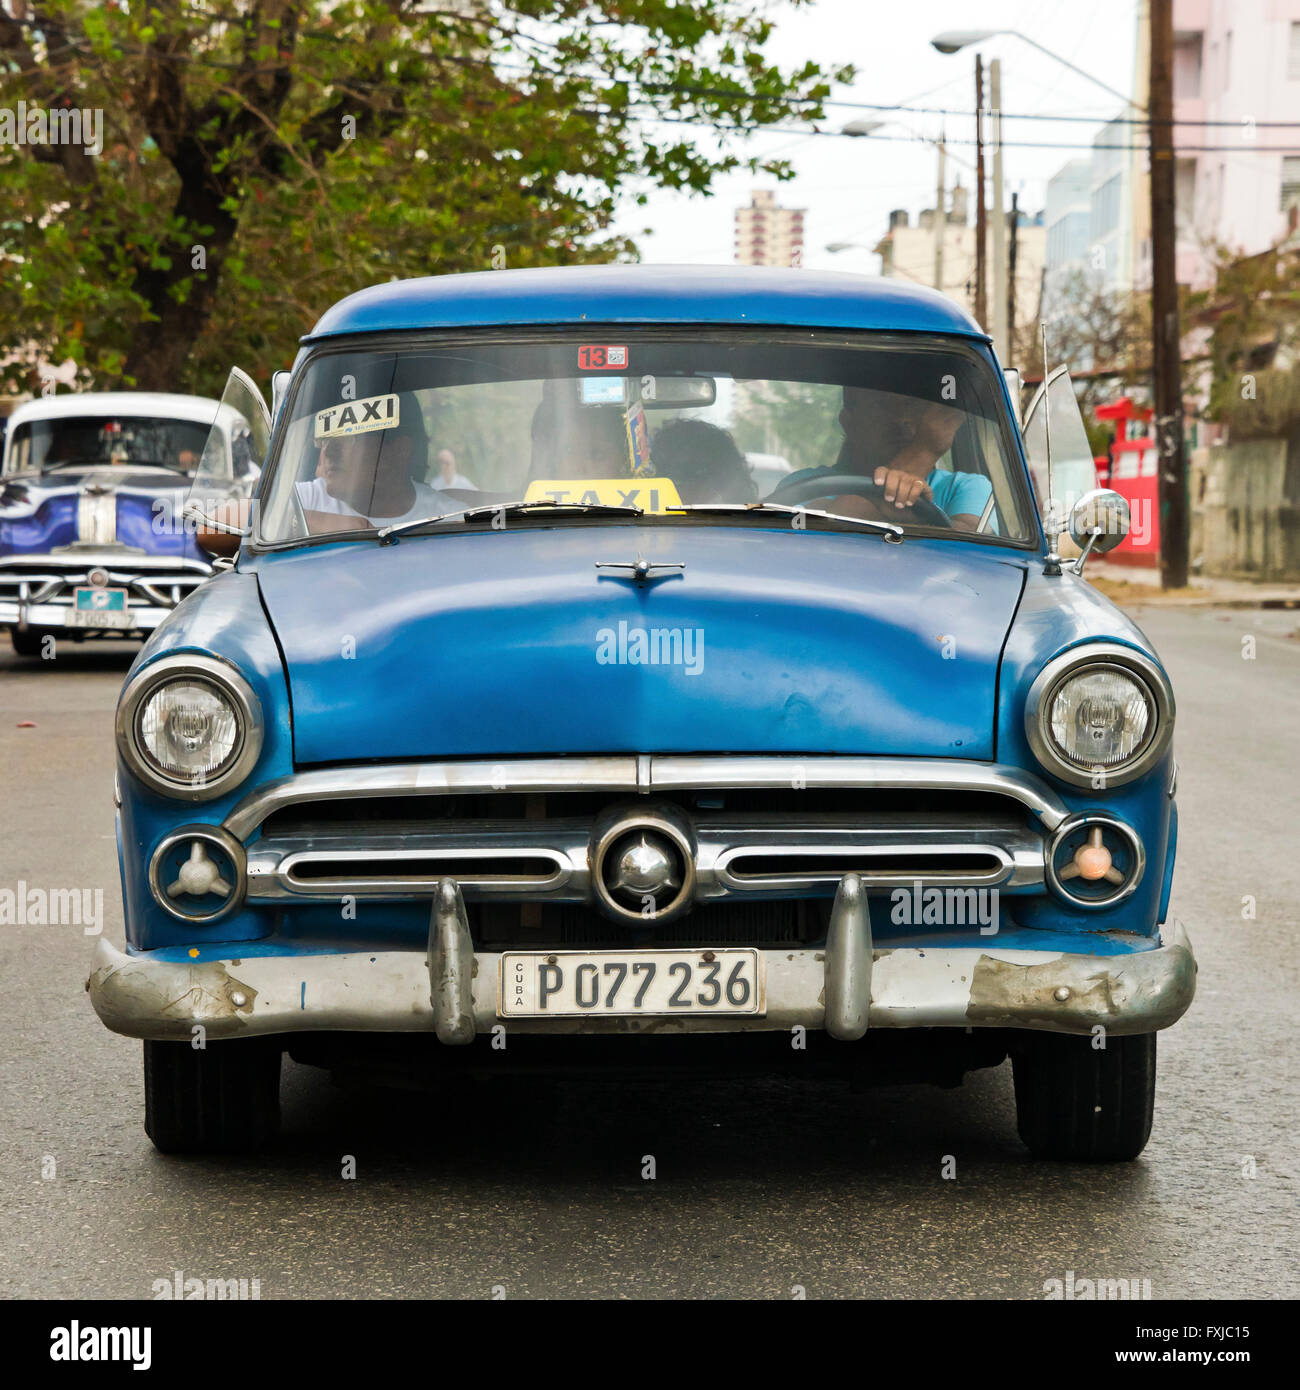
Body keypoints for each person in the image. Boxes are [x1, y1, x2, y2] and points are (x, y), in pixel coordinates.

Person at [790, 386, 994, 531]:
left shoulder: (965, 487)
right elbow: (815, 530)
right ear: (848, 421)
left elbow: (976, 549)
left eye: (913, 406)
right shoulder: (804, 483)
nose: (902, 419)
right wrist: (925, 450)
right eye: (883, 406)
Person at [295, 395, 442, 532]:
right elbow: (273, 517)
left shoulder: (447, 517)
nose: (328, 452)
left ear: (400, 450)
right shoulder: (301, 501)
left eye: (347, 438)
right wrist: (299, 521)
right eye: (325, 440)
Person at [649, 418, 756, 504]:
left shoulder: (640, 518)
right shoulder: (753, 524)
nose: (687, 489)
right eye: (676, 480)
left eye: (698, 476)